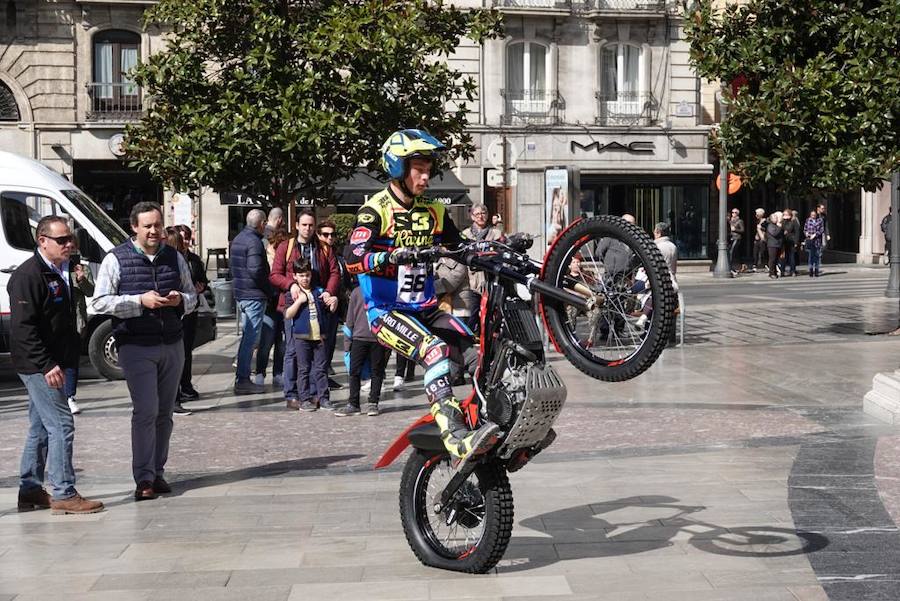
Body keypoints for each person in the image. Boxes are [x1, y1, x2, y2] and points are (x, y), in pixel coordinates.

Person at [345, 128, 500, 469]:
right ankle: (452, 433)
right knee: (434, 351)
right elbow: (351, 259)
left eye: (429, 168)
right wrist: (386, 258)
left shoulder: (433, 211)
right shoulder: (375, 211)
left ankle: (501, 426)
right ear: (398, 167)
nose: (426, 175)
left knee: (479, 352)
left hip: (427, 309)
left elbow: (460, 247)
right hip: (386, 312)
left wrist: (495, 250)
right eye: (418, 168)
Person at [91, 202, 197, 501]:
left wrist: (179, 300)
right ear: (134, 228)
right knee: (146, 411)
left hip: (172, 343)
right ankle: (144, 477)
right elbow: (99, 303)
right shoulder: (116, 259)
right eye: (147, 226)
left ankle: (158, 471)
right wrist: (139, 301)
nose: (154, 231)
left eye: (157, 225)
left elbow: (193, 297)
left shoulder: (174, 257)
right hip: (136, 345)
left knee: (165, 413)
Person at [10, 216, 105, 514]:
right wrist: (47, 364)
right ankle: (64, 492)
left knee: (40, 426)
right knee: (62, 424)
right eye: (62, 240)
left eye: (70, 239)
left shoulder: (59, 270)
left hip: (57, 359)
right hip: (40, 365)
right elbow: (24, 329)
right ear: (42, 241)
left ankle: (30, 490)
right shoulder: (29, 275)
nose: (69, 244)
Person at [269, 209, 340, 409]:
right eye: (304, 225)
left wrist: (329, 291)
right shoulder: (286, 246)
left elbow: (334, 272)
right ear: (297, 226)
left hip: (318, 305)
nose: (308, 228)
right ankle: (292, 394)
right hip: (294, 305)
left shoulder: (324, 248)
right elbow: (274, 274)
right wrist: (290, 284)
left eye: (311, 225)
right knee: (292, 351)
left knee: (320, 352)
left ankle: (317, 394)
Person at [230, 209, 273, 394]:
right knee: (251, 339)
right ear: (262, 223)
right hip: (253, 295)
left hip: (242, 293)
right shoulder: (254, 242)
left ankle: (242, 377)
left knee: (247, 337)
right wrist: (269, 290)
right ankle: (243, 379)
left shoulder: (239, 238)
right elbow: (256, 271)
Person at [283, 259, 332, 412]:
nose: (305, 279)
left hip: (319, 337)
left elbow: (328, 308)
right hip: (301, 337)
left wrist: (333, 300)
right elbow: (288, 314)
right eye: (301, 275)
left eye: (308, 275)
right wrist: (298, 302)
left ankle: (323, 398)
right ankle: (304, 399)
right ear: (295, 276)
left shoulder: (318, 291)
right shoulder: (293, 294)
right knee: (303, 369)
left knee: (321, 369)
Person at [335, 286, 389, 417]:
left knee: (377, 371)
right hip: (359, 338)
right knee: (354, 371)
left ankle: (373, 402)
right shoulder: (356, 292)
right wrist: (347, 345)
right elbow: (350, 319)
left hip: (379, 338)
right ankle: (353, 404)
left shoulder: (383, 290)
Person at [174, 224, 208, 404]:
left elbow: (203, 279)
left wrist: (201, 286)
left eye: (187, 238)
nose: (185, 242)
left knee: (187, 350)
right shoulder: (173, 258)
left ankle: (186, 384)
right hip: (178, 309)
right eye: (182, 238)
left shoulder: (194, 259)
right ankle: (177, 388)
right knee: (177, 351)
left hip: (192, 308)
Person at [255, 228, 291, 388]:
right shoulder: (267, 258)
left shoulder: (286, 258)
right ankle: (260, 372)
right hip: (270, 303)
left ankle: (278, 373)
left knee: (281, 342)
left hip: (282, 303)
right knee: (266, 340)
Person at [461, 203, 504, 331]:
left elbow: (502, 253)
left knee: (491, 313)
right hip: (470, 280)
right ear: (472, 216)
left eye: (483, 213)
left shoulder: (495, 234)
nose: (480, 216)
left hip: (490, 279)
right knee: (471, 313)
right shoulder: (466, 234)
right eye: (477, 214)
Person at [63, 245, 95, 415]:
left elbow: (91, 292)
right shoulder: (52, 268)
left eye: (73, 247)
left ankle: (69, 397)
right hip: (57, 322)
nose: (69, 250)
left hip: (76, 321)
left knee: (72, 361)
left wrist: (81, 279)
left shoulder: (81, 269)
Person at [316, 220, 344, 391]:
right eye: (326, 234)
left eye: (333, 234)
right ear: (319, 235)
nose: (330, 237)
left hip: (335, 303)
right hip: (322, 302)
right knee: (321, 343)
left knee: (330, 342)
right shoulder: (318, 252)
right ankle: (319, 379)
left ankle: (325, 375)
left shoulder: (333, 252)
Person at [804, 209, 825, 277]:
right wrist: (806, 233)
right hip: (810, 241)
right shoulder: (808, 220)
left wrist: (815, 234)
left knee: (817, 256)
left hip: (817, 241)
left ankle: (816, 270)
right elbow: (805, 229)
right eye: (812, 215)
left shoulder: (820, 220)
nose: (813, 216)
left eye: (814, 215)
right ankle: (810, 270)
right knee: (811, 256)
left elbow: (822, 229)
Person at [780, 208, 800, 277]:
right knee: (783, 257)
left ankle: (793, 271)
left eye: (786, 214)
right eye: (784, 214)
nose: (785, 216)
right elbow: (780, 230)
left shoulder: (793, 222)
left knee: (792, 257)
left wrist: (796, 242)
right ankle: (782, 271)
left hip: (791, 241)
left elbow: (797, 232)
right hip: (784, 241)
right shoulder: (782, 222)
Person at [765, 212, 784, 279]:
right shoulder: (770, 225)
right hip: (772, 245)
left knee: (776, 259)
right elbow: (774, 233)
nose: (777, 219)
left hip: (778, 244)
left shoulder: (776, 225)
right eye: (775, 218)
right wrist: (779, 227)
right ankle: (771, 273)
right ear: (772, 219)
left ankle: (775, 272)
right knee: (772, 259)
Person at [728, 208, 744, 277]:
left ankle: (731, 267)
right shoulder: (730, 220)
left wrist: (735, 229)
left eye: (735, 212)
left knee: (732, 252)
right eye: (732, 212)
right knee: (735, 253)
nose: (733, 214)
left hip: (736, 238)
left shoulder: (739, 221)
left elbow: (742, 230)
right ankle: (741, 264)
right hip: (730, 238)